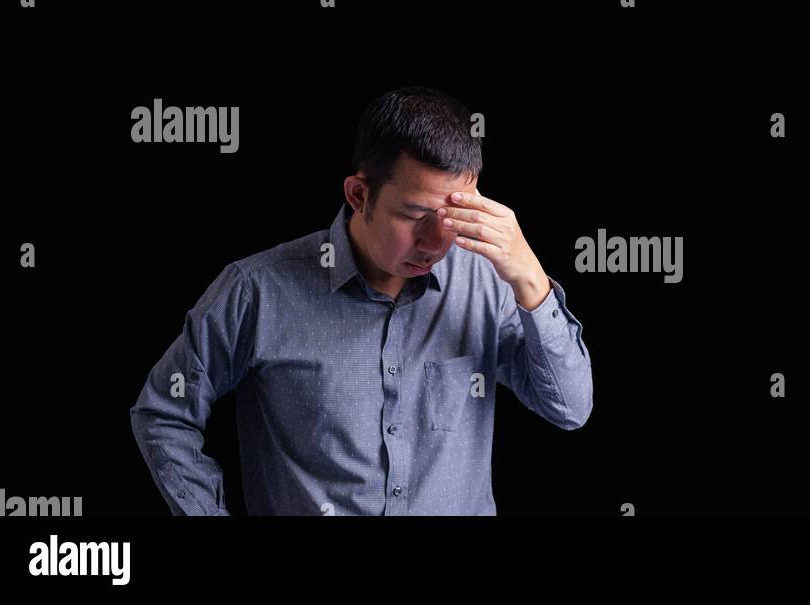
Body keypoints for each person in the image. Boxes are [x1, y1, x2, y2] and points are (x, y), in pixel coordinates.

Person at [130, 86, 593, 515]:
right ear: (359, 194)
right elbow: (164, 413)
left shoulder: (490, 283)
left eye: (453, 216)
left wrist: (532, 281)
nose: (435, 241)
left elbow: (570, 410)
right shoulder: (256, 291)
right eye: (415, 215)